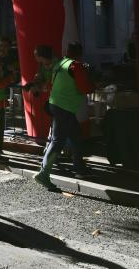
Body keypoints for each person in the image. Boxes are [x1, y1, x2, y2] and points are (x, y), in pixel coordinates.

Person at [32, 43, 94, 189]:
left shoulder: (60, 63)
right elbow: (84, 87)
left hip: (56, 104)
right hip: (64, 107)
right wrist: (93, 84)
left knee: (76, 137)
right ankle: (43, 173)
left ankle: (79, 169)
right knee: (58, 141)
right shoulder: (75, 65)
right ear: (79, 54)